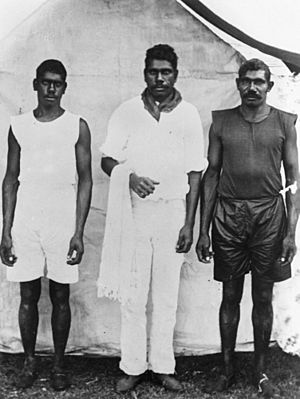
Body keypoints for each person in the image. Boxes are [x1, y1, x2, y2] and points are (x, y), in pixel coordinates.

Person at [98, 44, 206, 393]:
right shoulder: (127, 111)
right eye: (153, 71)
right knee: (133, 293)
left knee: (167, 295)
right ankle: (131, 366)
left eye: (166, 72)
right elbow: (108, 160)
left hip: (173, 211)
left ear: (176, 73)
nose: (159, 78)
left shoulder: (188, 114)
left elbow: (195, 173)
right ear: (144, 73)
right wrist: (129, 177)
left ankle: (162, 365)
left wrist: (189, 223)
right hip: (135, 214)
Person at [196, 58, 299, 397]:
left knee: (264, 295)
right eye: (247, 81)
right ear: (238, 83)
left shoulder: (285, 122)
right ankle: (226, 369)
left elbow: (294, 180)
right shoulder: (221, 122)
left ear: (270, 86)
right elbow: (211, 175)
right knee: (230, 293)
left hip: (269, 214)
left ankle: (260, 370)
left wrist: (290, 233)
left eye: (259, 81)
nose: (253, 87)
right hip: (229, 214)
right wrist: (203, 229)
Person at [0, 59, 93, 391]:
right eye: (46, 82)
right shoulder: (19, 125)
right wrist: (6, 229)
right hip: (27, 213)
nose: (51, 88)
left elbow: (85, 180)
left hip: (62, 214)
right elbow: (10, 179)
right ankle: (28, 361)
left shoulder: (76, 125)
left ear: (65, 87)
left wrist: (78, 231)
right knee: (27, 292)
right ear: (35, 84)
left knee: (60, 292)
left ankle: (58, 364)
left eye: (58, 83)